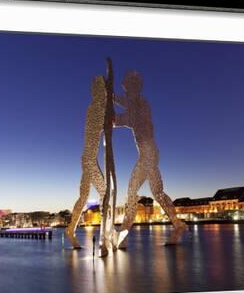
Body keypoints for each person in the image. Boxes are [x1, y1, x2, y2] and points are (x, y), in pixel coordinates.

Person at [114, 71, 187, 248]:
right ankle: (178, 225)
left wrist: (114, 118)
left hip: (148, 153)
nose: (126, 91)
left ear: (134, 87)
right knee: (158, 193)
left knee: (132, 192)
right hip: (149, 153)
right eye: (125, 88)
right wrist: (109, 97)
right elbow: (123, 104)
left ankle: (122, 237)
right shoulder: (133, 102)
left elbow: (129, 118)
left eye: (128, 87)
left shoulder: (141, 104)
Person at [65, 75, 108, 249]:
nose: (103, 94)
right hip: (90, 158)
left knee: (84, 196)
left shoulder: (96, 108)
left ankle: (70, 229)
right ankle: (105, 235)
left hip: (88, 157)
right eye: (101, 91)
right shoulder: (95, 109)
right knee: (105, 194)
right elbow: (104, 126)